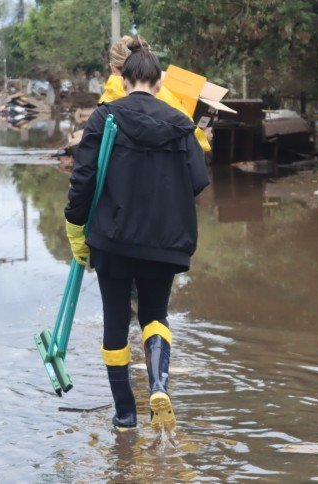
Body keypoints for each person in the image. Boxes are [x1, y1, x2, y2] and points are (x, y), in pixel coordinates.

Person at [65, 41, 210, 431]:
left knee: (115, 323)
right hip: (164, 241)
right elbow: (199, 180)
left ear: (124, 79)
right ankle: (159, 385)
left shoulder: (104, 117)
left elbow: (83, 178)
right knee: (155, 315)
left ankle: (125, 414)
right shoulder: (181, 123)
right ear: (160, 81)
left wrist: (76, 224)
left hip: (113, 238)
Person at [99, 35, 212, 154]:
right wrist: (204, 139)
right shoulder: (162, 94)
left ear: (112, 68)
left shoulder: (103, 105)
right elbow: (188, 131)